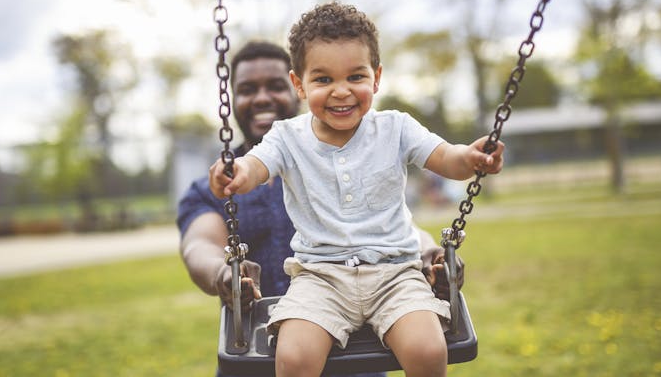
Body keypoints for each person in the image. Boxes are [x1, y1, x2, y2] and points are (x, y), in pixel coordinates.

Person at [209, 2, 504, 377]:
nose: (341, 92)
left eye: (355, 77)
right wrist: (236, 172)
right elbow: (255, 165)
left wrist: (472, 157)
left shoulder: (397, 128)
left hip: (396, 273)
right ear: (298, 84)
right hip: (320, 278)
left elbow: (447, 158)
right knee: (294, 358)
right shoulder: (286, 136)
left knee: (428, 350)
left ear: (376, 78)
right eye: (323, 80)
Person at [177, 40, 455, 377]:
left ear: (296, 90)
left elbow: (394, 225)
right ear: (232, 98)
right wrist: (222, 273)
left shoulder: (357, 155)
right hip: (264, 362)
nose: (262, 98)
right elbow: (199, 245)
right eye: (248, 89)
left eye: (275, 86)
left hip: (356, 365)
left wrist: (431, 254)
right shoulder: (218, 183)